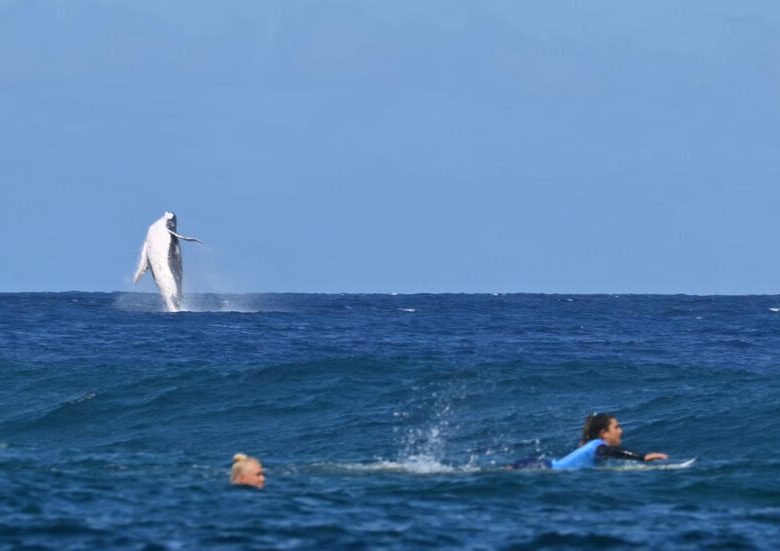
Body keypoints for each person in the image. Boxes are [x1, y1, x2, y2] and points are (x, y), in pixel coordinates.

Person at [512, 412, 668, 470]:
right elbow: (610, 452)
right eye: (616, 427)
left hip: (541, 465)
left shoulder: (592, 446)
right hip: (539, 468)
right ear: (604, 433)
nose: (621, 431)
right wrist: (642, 457)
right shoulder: (598, 446)